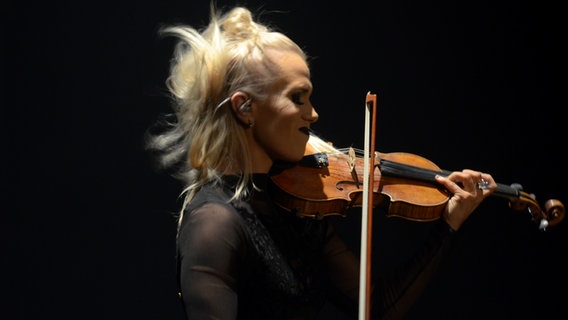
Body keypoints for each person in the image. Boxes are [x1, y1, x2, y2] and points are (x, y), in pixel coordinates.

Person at [146, 5, 497, 319]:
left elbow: (376, 307)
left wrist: (448, 224)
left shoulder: (295, 211)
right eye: (297, 98)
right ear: (245, 107)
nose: (313, 114)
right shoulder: (214, 223)